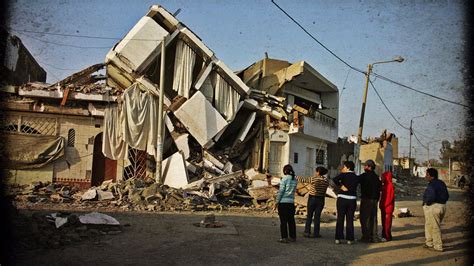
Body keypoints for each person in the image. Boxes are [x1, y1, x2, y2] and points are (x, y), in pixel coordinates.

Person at [296, 166, 330, 238]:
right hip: (321, 199)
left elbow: (303, 180)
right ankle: (316, 233)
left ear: (318, 172)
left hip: (312, 198)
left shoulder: (314, 179)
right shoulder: (326, 181)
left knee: (309, 216)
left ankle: (307, 232)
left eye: (316, 171)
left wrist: (295, 176)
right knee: (317, 217)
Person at [422, 168, 449, 252]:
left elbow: (431, 197)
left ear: (431, 176)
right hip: (442, 206)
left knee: (435, 227)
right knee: (429, 225)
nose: (425, 176)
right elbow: (447, 196)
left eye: (427, 175)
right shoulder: (441, 183)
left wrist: (427, 203)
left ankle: (438, 246)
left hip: (434, 207)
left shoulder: (431, 184)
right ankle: (429, 242)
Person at [332, 161, 359, 245]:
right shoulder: (356, 177)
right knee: (350, 219)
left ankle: (338, 238)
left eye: (344, 167)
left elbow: (335, 179)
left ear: (348, 168)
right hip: (352, 200)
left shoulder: (343, 175)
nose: (342, 168)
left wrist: (341, 186)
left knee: (340, 218)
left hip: (342, 199)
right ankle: (350, 239)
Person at [359, 160, 382, 243]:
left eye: (365, 166)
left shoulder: (363, 176)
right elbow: (380, 188)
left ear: (369, 167)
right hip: (375, 200)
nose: (364, 167)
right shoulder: (376, 177)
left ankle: (366, 237)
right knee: (373, 218)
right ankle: (374, 236)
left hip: (366, 199)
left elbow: (355, 181)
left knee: (365, 218)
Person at [275, 164, 298, 243]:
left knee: (283, 221)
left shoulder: (284, 179)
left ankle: (284, 237)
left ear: (285, 171)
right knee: (291, 220)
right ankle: (293, 237)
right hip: (291, 203)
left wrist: (277, 201)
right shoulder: (294, 179)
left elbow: (281, 191)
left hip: (283, 203)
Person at [380, 171, 395, 242]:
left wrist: (384, 205)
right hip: (384, 207)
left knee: (387, 223)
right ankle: (385, 235)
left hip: (387, 207)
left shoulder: (390, 186)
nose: (381, 178)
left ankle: (387, 236)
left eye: (382, 177)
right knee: (384, 222)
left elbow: (390, 198)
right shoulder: (384, 185)